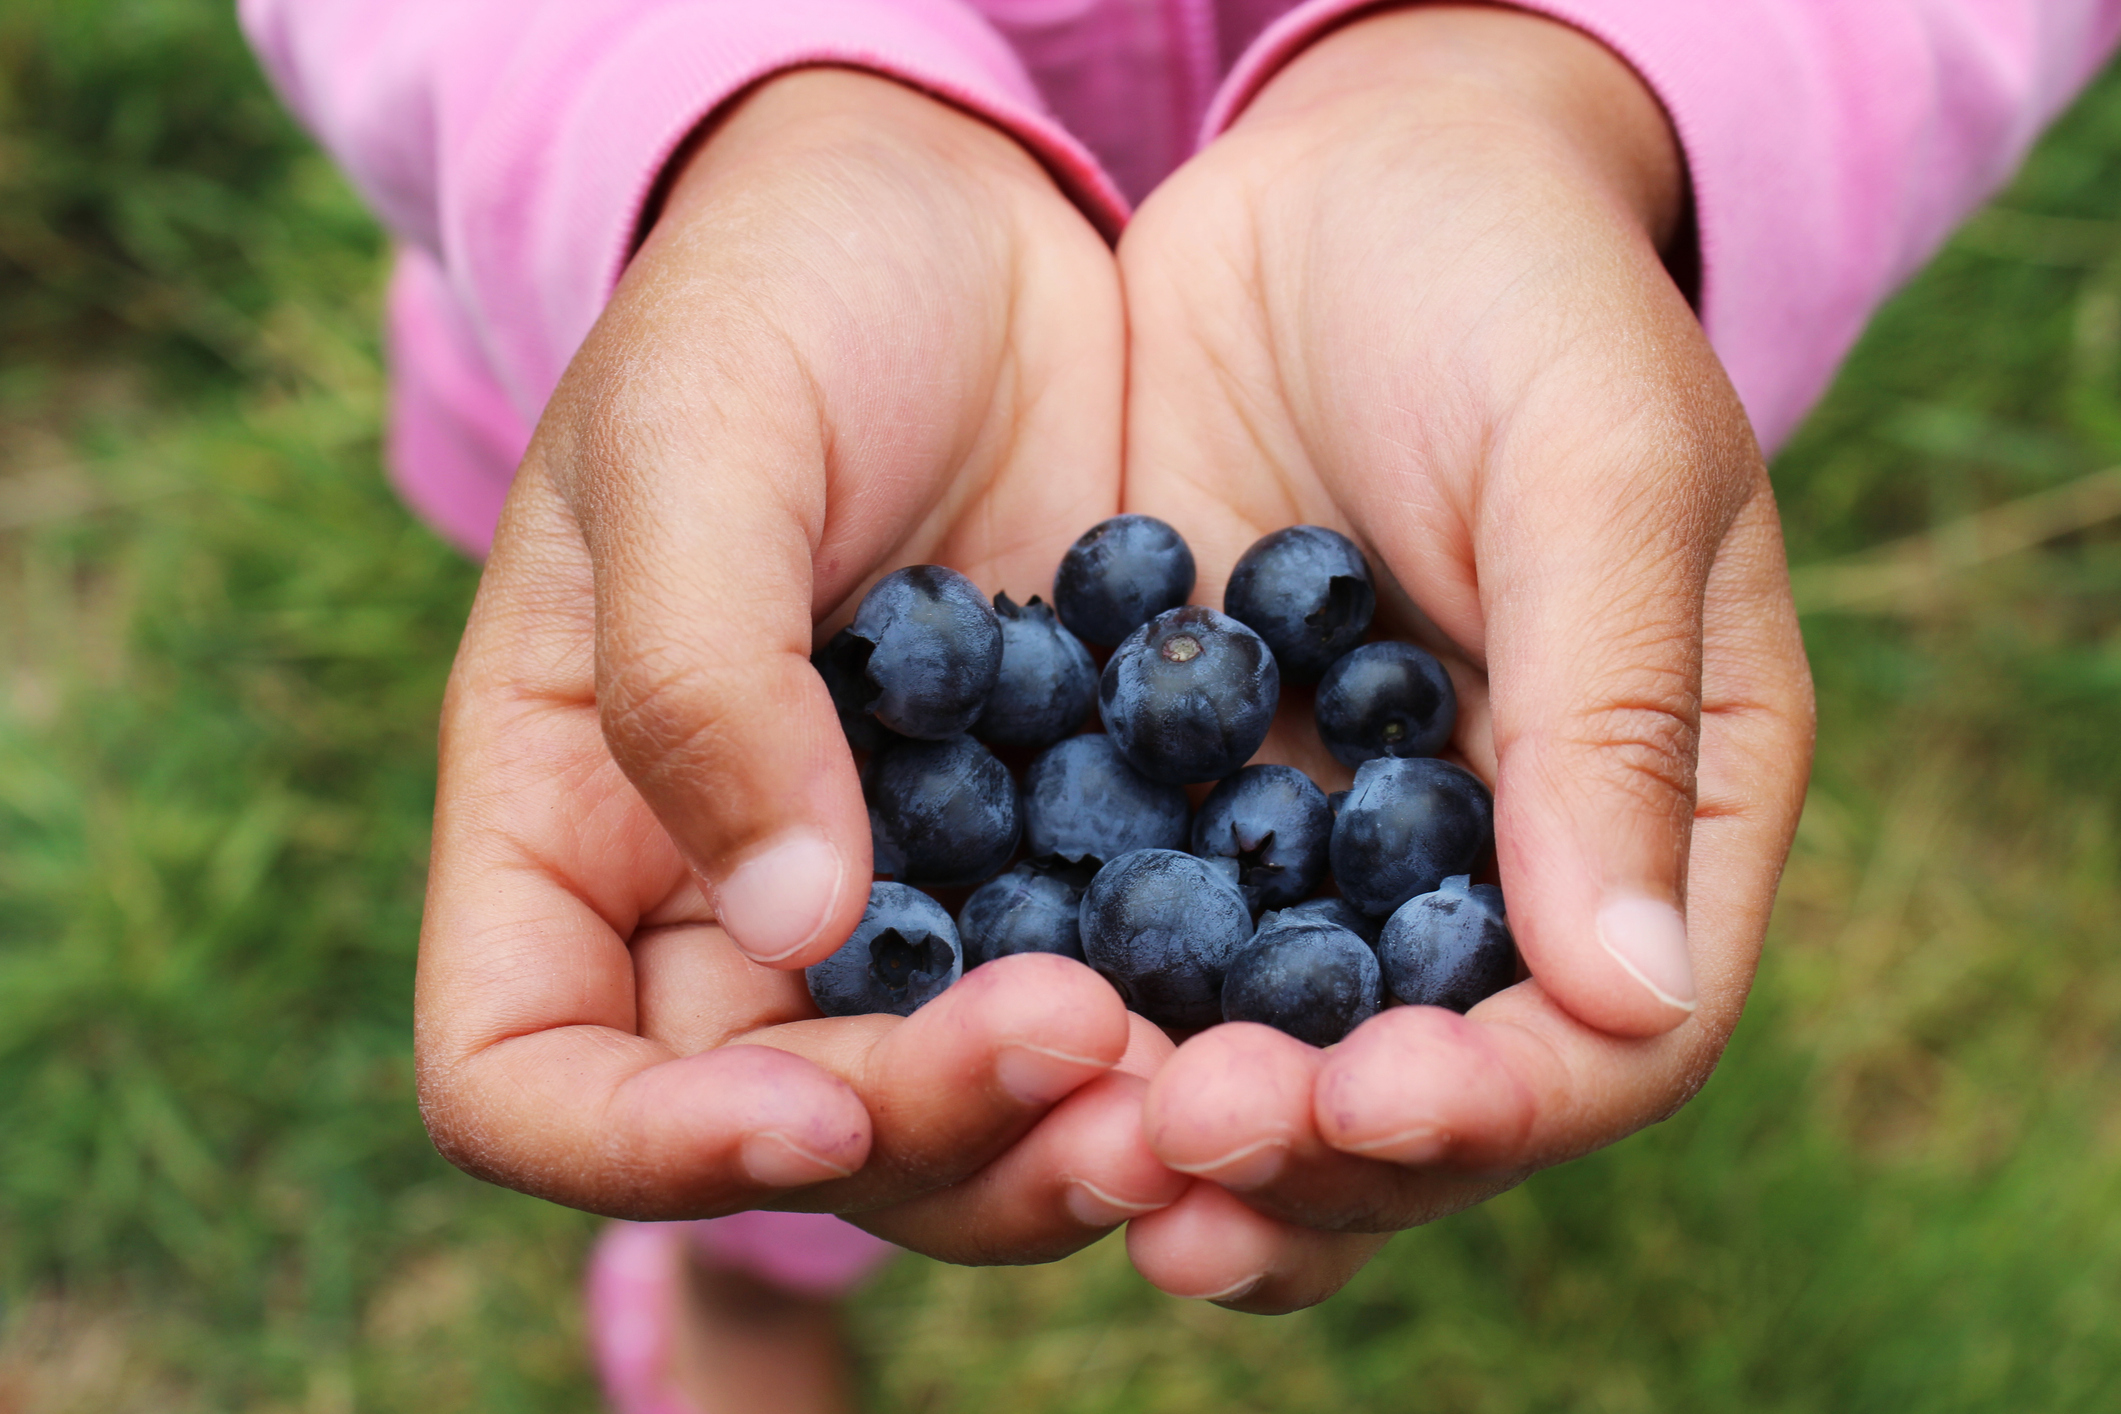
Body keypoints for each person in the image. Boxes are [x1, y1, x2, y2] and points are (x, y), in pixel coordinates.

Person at [239, 1, 2121, 1410]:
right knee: (780, 972)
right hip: (722, 442)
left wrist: (1523, 101)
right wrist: (748, 130)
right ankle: (748, 1288)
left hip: (1458, 447)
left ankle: (759, 1267)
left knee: (869, 995)